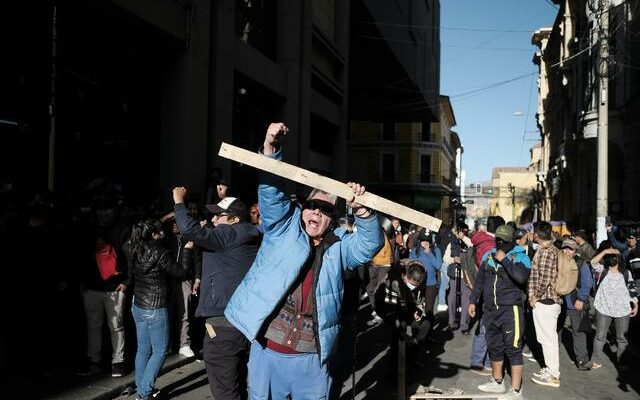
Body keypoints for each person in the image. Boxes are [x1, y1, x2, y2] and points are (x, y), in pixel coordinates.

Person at [224, 122, 384, 399]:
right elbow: (272, 194)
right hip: (267, 351)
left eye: (325, 209)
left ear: (332, 218)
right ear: (302, 209)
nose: (316, 213)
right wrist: (271, 147)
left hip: (311, 360)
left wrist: (362, 211)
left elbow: (370, 244)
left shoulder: (339, 247)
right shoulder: (282, 228)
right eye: (312, 205)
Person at [173, 189, 261, 400]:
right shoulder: (246, 234)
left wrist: (178, 202)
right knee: (237, 384)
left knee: (225, 390)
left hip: (223, 324)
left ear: (233, 219)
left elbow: (188, 229)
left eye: (219, 215)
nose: (213, 219)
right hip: (243, 320)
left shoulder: (228, 234)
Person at [128, 219, 190, 400]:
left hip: (138, 306)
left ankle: (141, 389)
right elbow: (182, 273)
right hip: (155, 307)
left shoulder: (134, 248)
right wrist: (186, 250)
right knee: (160, 350)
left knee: (143, 350)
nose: (164, 232)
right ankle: (145, 392)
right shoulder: (161, 253)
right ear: (154, 234)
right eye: (160, 231)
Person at [469, 225, 531, 399]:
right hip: (490, 310)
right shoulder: (488, 256)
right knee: (494, 347)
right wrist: (473, 301)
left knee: (513, 349)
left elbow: (521, 278)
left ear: (511, 241)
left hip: (511, 309)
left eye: (504, 240)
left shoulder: (521, 257)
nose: (500, 243)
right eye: (498, 239)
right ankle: (497, 382)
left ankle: (516, 391)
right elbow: (480, 281)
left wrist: (505, 260)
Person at [589, 246, 639, 370]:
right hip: (604, 309)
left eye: (615, 256)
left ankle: (621, 362)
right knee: (600, 335)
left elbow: (632, 290)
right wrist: (606, 251)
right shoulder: (602, 270)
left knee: (622, 338)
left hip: (622, 310)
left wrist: (636, 305)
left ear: (620, 258)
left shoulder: (626, 273)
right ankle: (596, 360)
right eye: (610, 257)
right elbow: (593, 262)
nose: (612, 259)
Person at [375, 259, 430, 367]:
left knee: (425, 324)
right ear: (405, 277)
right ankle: (396, 370)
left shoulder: (422, 273)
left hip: (406, 303)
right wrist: (402, 333)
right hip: (387, 305)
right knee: (399, 330)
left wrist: (416, 309)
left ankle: (411, 356)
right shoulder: (392, 282)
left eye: (418, 284)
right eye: (412, 284)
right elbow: (390, 311)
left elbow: (418, 295)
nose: (415, 287)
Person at [528, 221, 561, 388]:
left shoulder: (547, 252)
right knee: (547, 338)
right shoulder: (549, 250)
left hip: (546, 300)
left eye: (534, 232)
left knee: (548, 339)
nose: (533, 235)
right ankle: (550, 369)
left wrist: (535, 296)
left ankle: (554, 374)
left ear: (538, 235)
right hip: (546, 301)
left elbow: (545, 278)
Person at [558, 238, 593, 371]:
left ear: (575, 251)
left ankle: (582, 360)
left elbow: (587, 283)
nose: (567, 251)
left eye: (570, 248)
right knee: (555, 331)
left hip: (574, 302)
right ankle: (552, 359)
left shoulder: (581, 263)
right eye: (565, 248)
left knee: (578, 332)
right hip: (559, 301)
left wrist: (581, 298)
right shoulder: (557, 261)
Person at [409, 230, 443, 325]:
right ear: (419, 240)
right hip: (417, 283)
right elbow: (410, 264)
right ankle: (416, 332)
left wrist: (429, 253)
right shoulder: (415, 250)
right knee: (415, 309)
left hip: (430, 283)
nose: (425, 243)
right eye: (423, 240)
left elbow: (438, 266)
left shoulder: (436, 250)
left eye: (427, 241)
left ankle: (428, 334)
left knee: (429, 310)